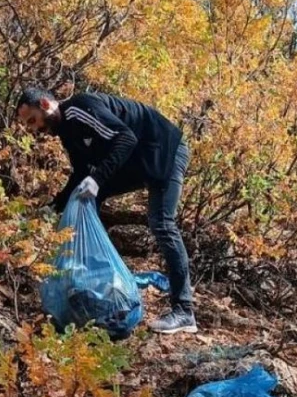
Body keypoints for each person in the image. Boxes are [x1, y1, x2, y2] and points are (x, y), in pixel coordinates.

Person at [15, 87, 197, 334]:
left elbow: (126, 137)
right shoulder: (67, 133)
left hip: (164, 150)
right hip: (137, 159)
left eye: (33, 120)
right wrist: (53, 207)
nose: (35, 129)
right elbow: (81, 174)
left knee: (162, 223)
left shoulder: (80, 109)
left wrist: (98, 179)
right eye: (29, 126)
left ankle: (184, 311)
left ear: (46, 104)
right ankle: (95, 289)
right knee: (82, 199)